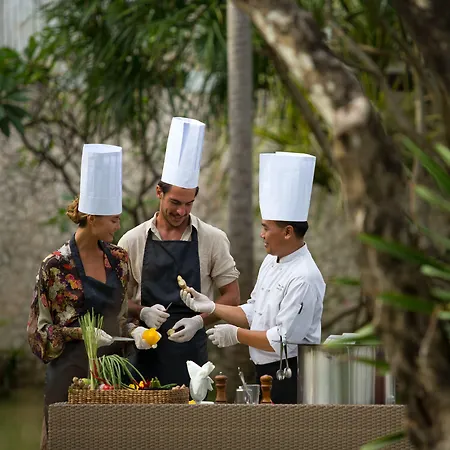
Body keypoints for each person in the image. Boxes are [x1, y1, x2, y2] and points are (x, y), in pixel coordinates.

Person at [27, 144, 153, 450]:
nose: (118, 227)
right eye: (113, 220)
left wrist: (135, 331)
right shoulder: (55, 266)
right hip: (69, 375)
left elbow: (120, 319)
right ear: (93, 218)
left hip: (112, 376)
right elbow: (38, 334)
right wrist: (81, 334)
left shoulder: (119, 260)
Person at [179, 152, 326, 404]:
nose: (261, 234)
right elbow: (254, 311)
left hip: (291, 374)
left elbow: (282, 340)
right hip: (265, 370)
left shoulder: (304, 277)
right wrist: (212, 307)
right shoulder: (271, 261)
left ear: (288, 232)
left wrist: (236, 334)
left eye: (266, 228)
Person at [118, 117, 240, 387]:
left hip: (192, 363)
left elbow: (232, 297)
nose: (181, 211)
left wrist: (199, 321)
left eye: (189, 203)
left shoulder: (213, 239)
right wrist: (143, 312)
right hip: (141, 359)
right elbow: (117, 302)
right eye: (175, 202)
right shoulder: (132, 240)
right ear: (159, 192)